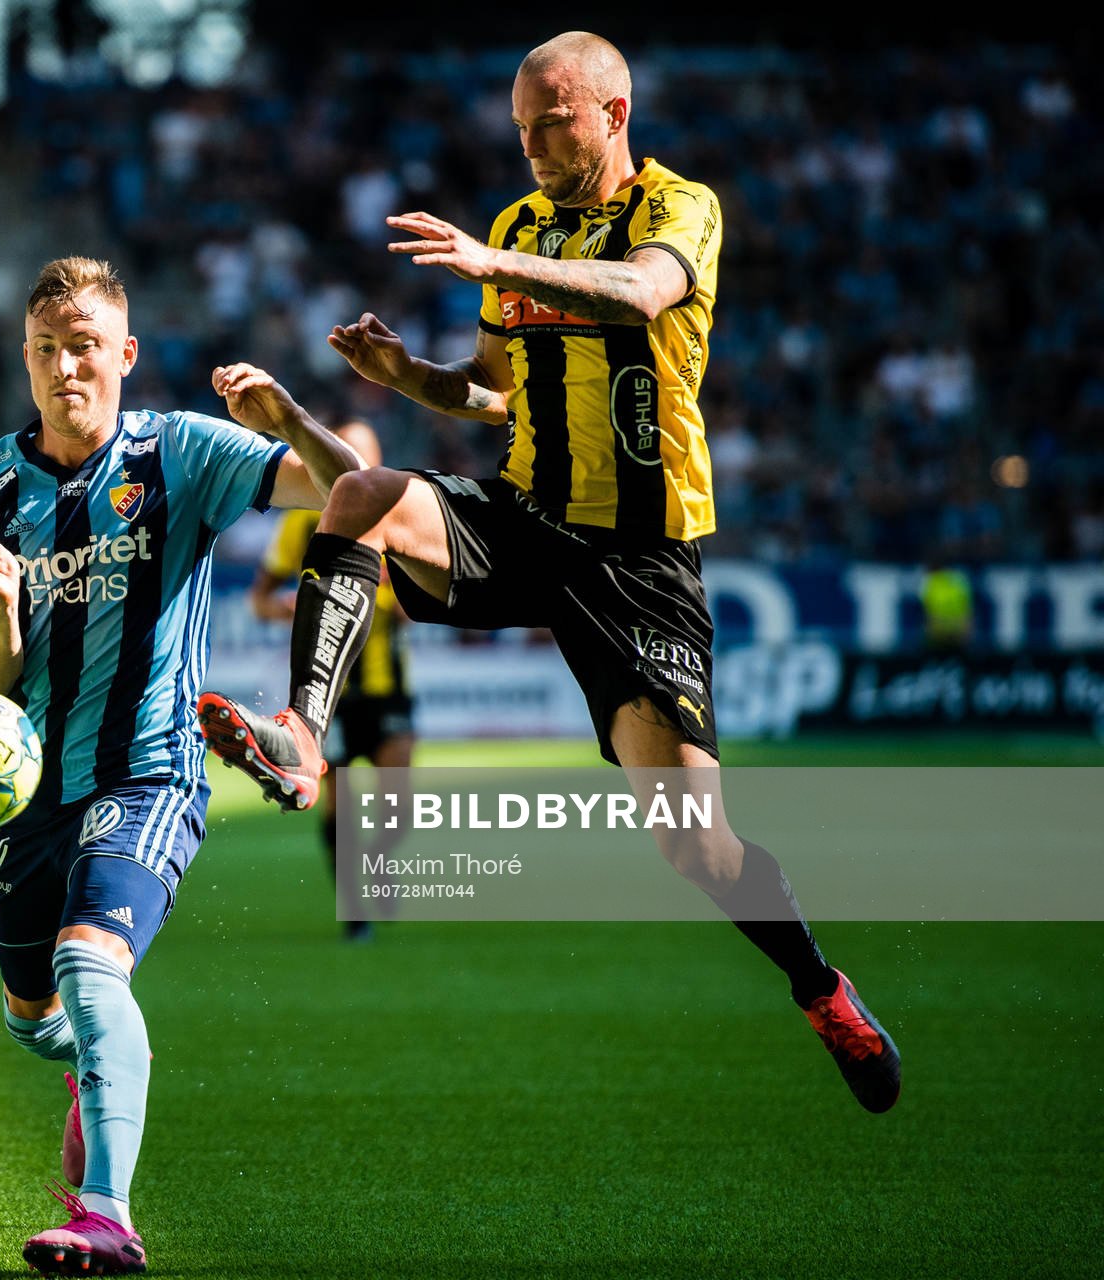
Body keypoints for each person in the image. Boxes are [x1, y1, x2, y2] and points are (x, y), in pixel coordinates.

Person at [196, 32, 901, 1114]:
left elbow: (641, 293)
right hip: (525, 515)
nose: (529, 147)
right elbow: (492, 391)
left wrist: (494, 267)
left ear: (613, 114)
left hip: (640, 561)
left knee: (696, 845)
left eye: (550, 123)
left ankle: (821, 990)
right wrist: (408, 374)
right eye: (520, 128)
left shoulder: (680, 208)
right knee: (363, 497)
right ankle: (299, 736)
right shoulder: (521, 224)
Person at [0, 256, 361, 1274]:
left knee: (89, 962)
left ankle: (107, 1214)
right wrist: (0, 603)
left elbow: (352, 487)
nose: (63, 368)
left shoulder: (182, 450)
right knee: (33, 1020)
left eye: (83, 346)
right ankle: (104, 1050)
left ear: (124, 353)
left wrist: (287, 415)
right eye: (45, 349)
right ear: (26, 359)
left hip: (151, 770)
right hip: (33, 790)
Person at [247, 419, 414, 942]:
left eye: (365, 458)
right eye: (348, 457)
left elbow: (423, 600)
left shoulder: (401, 514)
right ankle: (355, 908)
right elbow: (259, 599)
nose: (357, 469)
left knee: (400, 808)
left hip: (388, 687)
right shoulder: (302, 523)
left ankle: (378, 867)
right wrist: (287, 608)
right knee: (339, 805)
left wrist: (403, 601)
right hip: (330, 694)